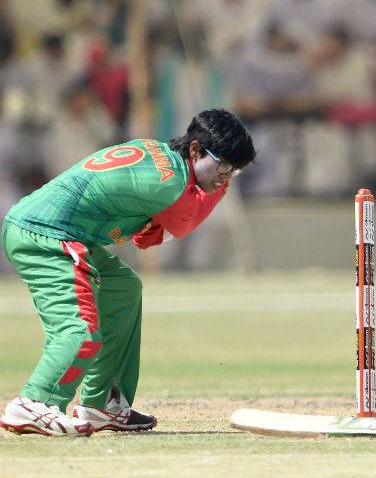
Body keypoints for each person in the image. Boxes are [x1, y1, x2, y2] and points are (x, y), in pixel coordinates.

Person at [0, 108, 256, 437]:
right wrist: (219, 189)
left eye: (234, 170)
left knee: (123, 288)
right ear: (195, 149)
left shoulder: (163, 158)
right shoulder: (170, 183)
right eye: (224, 165)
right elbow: (184, 222)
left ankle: (100, 403)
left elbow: (145, 233)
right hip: (44, 236)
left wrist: (214, 181)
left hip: (57, 231)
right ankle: (34, 401)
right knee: (79, 330)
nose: (226, 176)